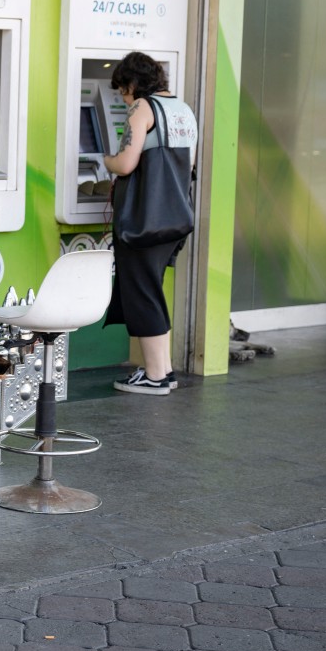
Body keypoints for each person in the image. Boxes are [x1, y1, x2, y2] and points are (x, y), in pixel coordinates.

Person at [102, 51, 197, 396]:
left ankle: (155, 376)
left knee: (142, 293)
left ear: (133, 83)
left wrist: (106, 160)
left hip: (144, 221)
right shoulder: (184, 111)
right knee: (151, 290)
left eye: (122, 90)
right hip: (174, 219)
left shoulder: (142, 108)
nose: (123, 98)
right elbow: (186, 169)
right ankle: (164, 370)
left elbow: (127, 163)